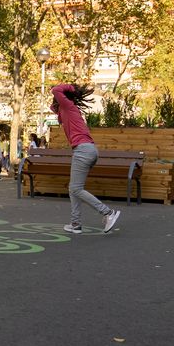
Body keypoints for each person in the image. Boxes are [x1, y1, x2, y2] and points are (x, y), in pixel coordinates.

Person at [50, 83, 121, 234]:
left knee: (76, 188)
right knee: (74, 188)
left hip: (83, 150)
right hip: (87, 150)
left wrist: (71, 88)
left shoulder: (69, 106)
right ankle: (75, 223)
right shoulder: (66, 110)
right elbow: (54, 108)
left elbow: (56, 90)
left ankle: (107, 213)